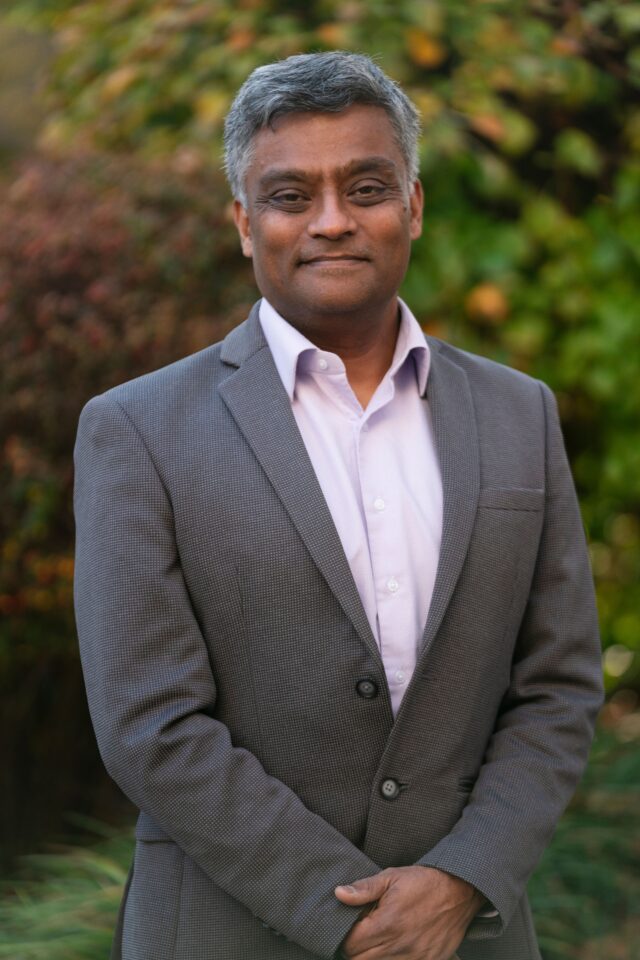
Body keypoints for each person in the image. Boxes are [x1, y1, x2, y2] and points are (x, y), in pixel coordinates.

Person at [74, 51, 603, 960]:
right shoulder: (138, 429)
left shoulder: (521, 413)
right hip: (226, 932)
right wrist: (346, 913)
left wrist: (462, 878)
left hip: (468, 935)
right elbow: (150, 723)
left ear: (415, 205)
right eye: (289, 196)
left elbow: (556, 686)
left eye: (366, 187)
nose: (332, 222)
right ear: (245, 223)